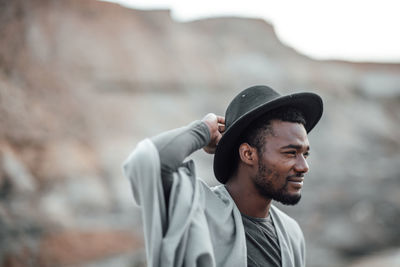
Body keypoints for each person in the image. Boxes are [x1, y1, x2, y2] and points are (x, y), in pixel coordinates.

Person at [123, 85, 323, 267]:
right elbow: (144, 162)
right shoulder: (195, 208)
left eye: (305, 154)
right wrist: (203, 132)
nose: (303, 166)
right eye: (290, 153)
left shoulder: (291, 233)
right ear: (248, 154)